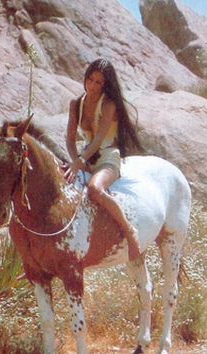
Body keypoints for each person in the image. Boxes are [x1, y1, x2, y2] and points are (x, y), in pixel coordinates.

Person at [64, 58, 142, 261]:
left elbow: (99, 139)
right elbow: (70, 139)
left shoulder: (109, 104)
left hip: (107, 156)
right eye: (91, 80)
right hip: (85, 157)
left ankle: (130, 231)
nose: (93, 86)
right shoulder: (76, 104)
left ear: (106, 84)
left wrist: (80, 161)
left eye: (99, 82)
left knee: (94, 190)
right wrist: (75, 162)